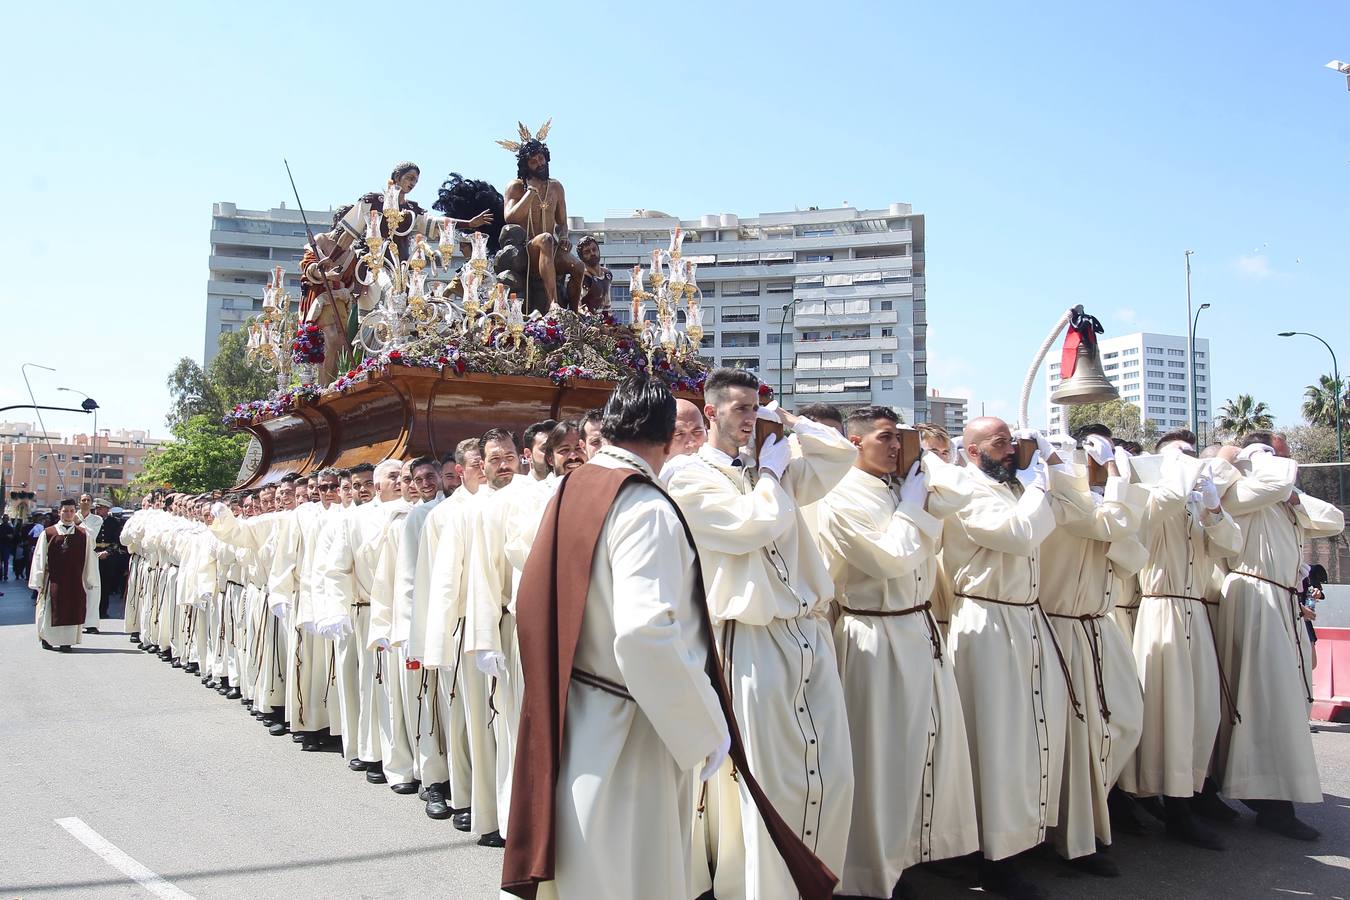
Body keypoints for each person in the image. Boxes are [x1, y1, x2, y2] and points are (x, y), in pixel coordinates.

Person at [505, 375, 839, 900]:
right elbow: (644, 635)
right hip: (633, 722)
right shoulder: (646, 507)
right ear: (665, 440)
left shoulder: (577, 485)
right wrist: (702, 729)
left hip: (580, 704)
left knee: (589, 863)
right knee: (634, 869)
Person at [665, 367, 856, 900]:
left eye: (756, 407)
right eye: (740, 409)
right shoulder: (687, 476)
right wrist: (772, 476)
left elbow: (842, 456)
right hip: (749, 637)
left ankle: (818, 880)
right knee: (769, 777)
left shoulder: (773, 463)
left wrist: (791, 424)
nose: (750, 419)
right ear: (711, 413)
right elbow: (752, 527)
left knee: (831, 768)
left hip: (806, 631)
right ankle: (764, 889)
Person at [814, 406, 979, 900]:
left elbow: (963, 494)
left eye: (899, 439)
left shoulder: (902, 484)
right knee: (879, 760)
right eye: (885, 438)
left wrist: (924, 465)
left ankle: (908, 857)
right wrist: (912, 506)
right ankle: (867, 875)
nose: (894, 448)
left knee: (925, 751)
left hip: (918, 628)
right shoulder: (839, 497)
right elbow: (888, 560)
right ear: (855, 442)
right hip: (873, 634)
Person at [936, 417, 1078, 900]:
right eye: (1001, 443)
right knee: (996, 742)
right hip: (987, 621)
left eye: (1014, 442)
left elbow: (1062, 511)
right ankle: (991, 856)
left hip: (1025, 618)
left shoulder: (1018, 488)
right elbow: (1018, 536)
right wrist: (1041, 481)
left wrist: (1054, 468)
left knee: (1032, 734)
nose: (1013, 450)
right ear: (973, 452)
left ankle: (1022, 836)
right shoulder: (966, 491)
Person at [1212, 432, 1344, 840]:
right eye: (1275, 453)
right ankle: (1269, 802)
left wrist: (1296, 500)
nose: (1286, 463)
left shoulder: (1281, 496)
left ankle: (1268, 795)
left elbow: (1333, 519)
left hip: (1280, 603)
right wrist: (1238, 457)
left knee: (1279, 702)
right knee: (1264, 701)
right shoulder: (1242, 490)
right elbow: (1274, 480)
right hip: (1255, 597)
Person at [1120, 429, 1241, 851]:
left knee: (1201, 711)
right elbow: (1150, 517)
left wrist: (1211, 506)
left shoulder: (1193, 504)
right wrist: (1180, 476)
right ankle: (1172, 807)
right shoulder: (1151, 497)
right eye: (1179, 457)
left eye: (1192, 455)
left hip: (1193, 611)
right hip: (1161, 610)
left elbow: (1231, 543)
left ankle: (1190, 794)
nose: (1190, 462)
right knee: (1168, 714)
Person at [1036, 431, 1147, 876]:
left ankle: (1092, 822)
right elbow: (1104, 525)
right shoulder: (1059, 502)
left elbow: (1132, 558)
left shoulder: (1098, 506)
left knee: (1125, 720)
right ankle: (1071, 839)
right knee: (1075, 741)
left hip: (1099, 626)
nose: (1087, 466)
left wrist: (1110, 493)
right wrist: (1117, 481)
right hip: (1061, 627)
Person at [499, 126, 586, 311]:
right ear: (525, 166)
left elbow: (562, 223)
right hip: (527, 249)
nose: (540, 163)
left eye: (541, 158)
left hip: (552, 249)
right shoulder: (516, 187)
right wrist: (530, 192)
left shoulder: (556, 188)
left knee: (578, 266)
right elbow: (510, 218)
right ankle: (552, 303)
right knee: (545, 238)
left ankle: (575, 310)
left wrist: (563, 237)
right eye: (533, 161)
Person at [30, 499, 99, 651]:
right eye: (65, 511)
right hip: (53, 579)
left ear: (75, 513)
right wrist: (38, 580)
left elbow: (89, 558)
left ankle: (66, 642)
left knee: (72, 608)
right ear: (59, 512)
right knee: (49, 608)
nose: (68, 514)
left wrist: (89, 579)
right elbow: (39, 557)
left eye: (71, 511)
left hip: (74, 579)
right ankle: (48, 638)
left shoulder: (83, 534)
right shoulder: (48, 533)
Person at [1300, 564, 1328, 670]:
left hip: (1304, 620)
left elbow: (1315, 592)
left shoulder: (1309, 570)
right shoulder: (1279, 568)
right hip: (1286, 618)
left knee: (1310, 663)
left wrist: (1317, 593)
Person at [574, 235, 612, 310]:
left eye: (594, 249)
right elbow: (577, 306)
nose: (592, 253)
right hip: (587, 319)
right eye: (587, 252)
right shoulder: (583, 278)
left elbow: (607, 303)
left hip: (604, 319)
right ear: (581, 257)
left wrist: (610, 319)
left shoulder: (607, 274)